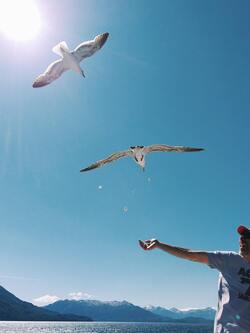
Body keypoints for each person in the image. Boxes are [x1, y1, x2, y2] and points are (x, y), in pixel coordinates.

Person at [139, 225, 250, 333]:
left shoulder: (230, 260)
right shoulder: (230, 260)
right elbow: (190, 254)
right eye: (241, 237)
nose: (242, 240)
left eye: (247, 237)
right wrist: (159, 245)